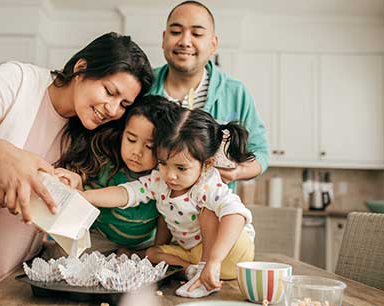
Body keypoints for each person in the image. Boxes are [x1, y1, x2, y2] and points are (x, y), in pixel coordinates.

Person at [0, 32, 153, 304]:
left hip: (5, 286)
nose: (112, 109)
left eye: (124, 104)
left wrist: (70, 193)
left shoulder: (87, 135)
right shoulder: (18, 81)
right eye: (110, 91)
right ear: (81, 68)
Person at [82, 107, 256, 298]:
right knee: (153, 255)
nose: (170, 175)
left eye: (181, 168)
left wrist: (213, 261)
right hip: (192, 254)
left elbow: (236, 214)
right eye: (163, 163)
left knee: (209, 211)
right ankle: (192, 272)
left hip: (229, 251)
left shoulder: (206, 184)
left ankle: (204, 272)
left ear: (206, 164)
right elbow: (127, 193)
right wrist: (86, 197)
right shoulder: (159, 181)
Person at [149, 0, 269, 187]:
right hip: (148, 211)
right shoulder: (143, 84)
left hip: (211, 212)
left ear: (213, 44)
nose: (185, 41)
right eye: (175, 32)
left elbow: (260, 152)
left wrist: (239, 172)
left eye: (197, 34)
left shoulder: (235, 92)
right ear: (164, 39)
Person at [55, 95, 181, 256]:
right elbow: (85, 204)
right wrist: (78, 189)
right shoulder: (106, 165)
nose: (137, 152)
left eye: (149, 146)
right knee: (63, 255)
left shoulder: (164, 178)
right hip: (100, 237)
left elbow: (165, 219)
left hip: (144, 244)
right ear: (122, 134)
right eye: (131, 139)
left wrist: (156, 250)